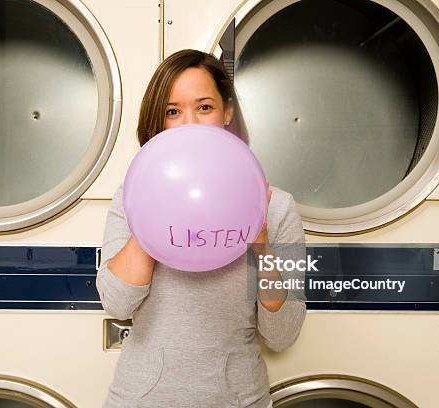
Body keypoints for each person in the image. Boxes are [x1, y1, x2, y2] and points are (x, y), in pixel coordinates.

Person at [96, 49, 306, 408]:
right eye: (172, 111)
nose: (189, 123)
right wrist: (152, 209)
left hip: (239, 399)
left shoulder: (277, 206)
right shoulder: (130, 196)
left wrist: (261, 240)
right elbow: (116, 304)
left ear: (227, 112)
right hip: (141, 399)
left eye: (204, 107)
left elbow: (283, 333)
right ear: (158, 122)